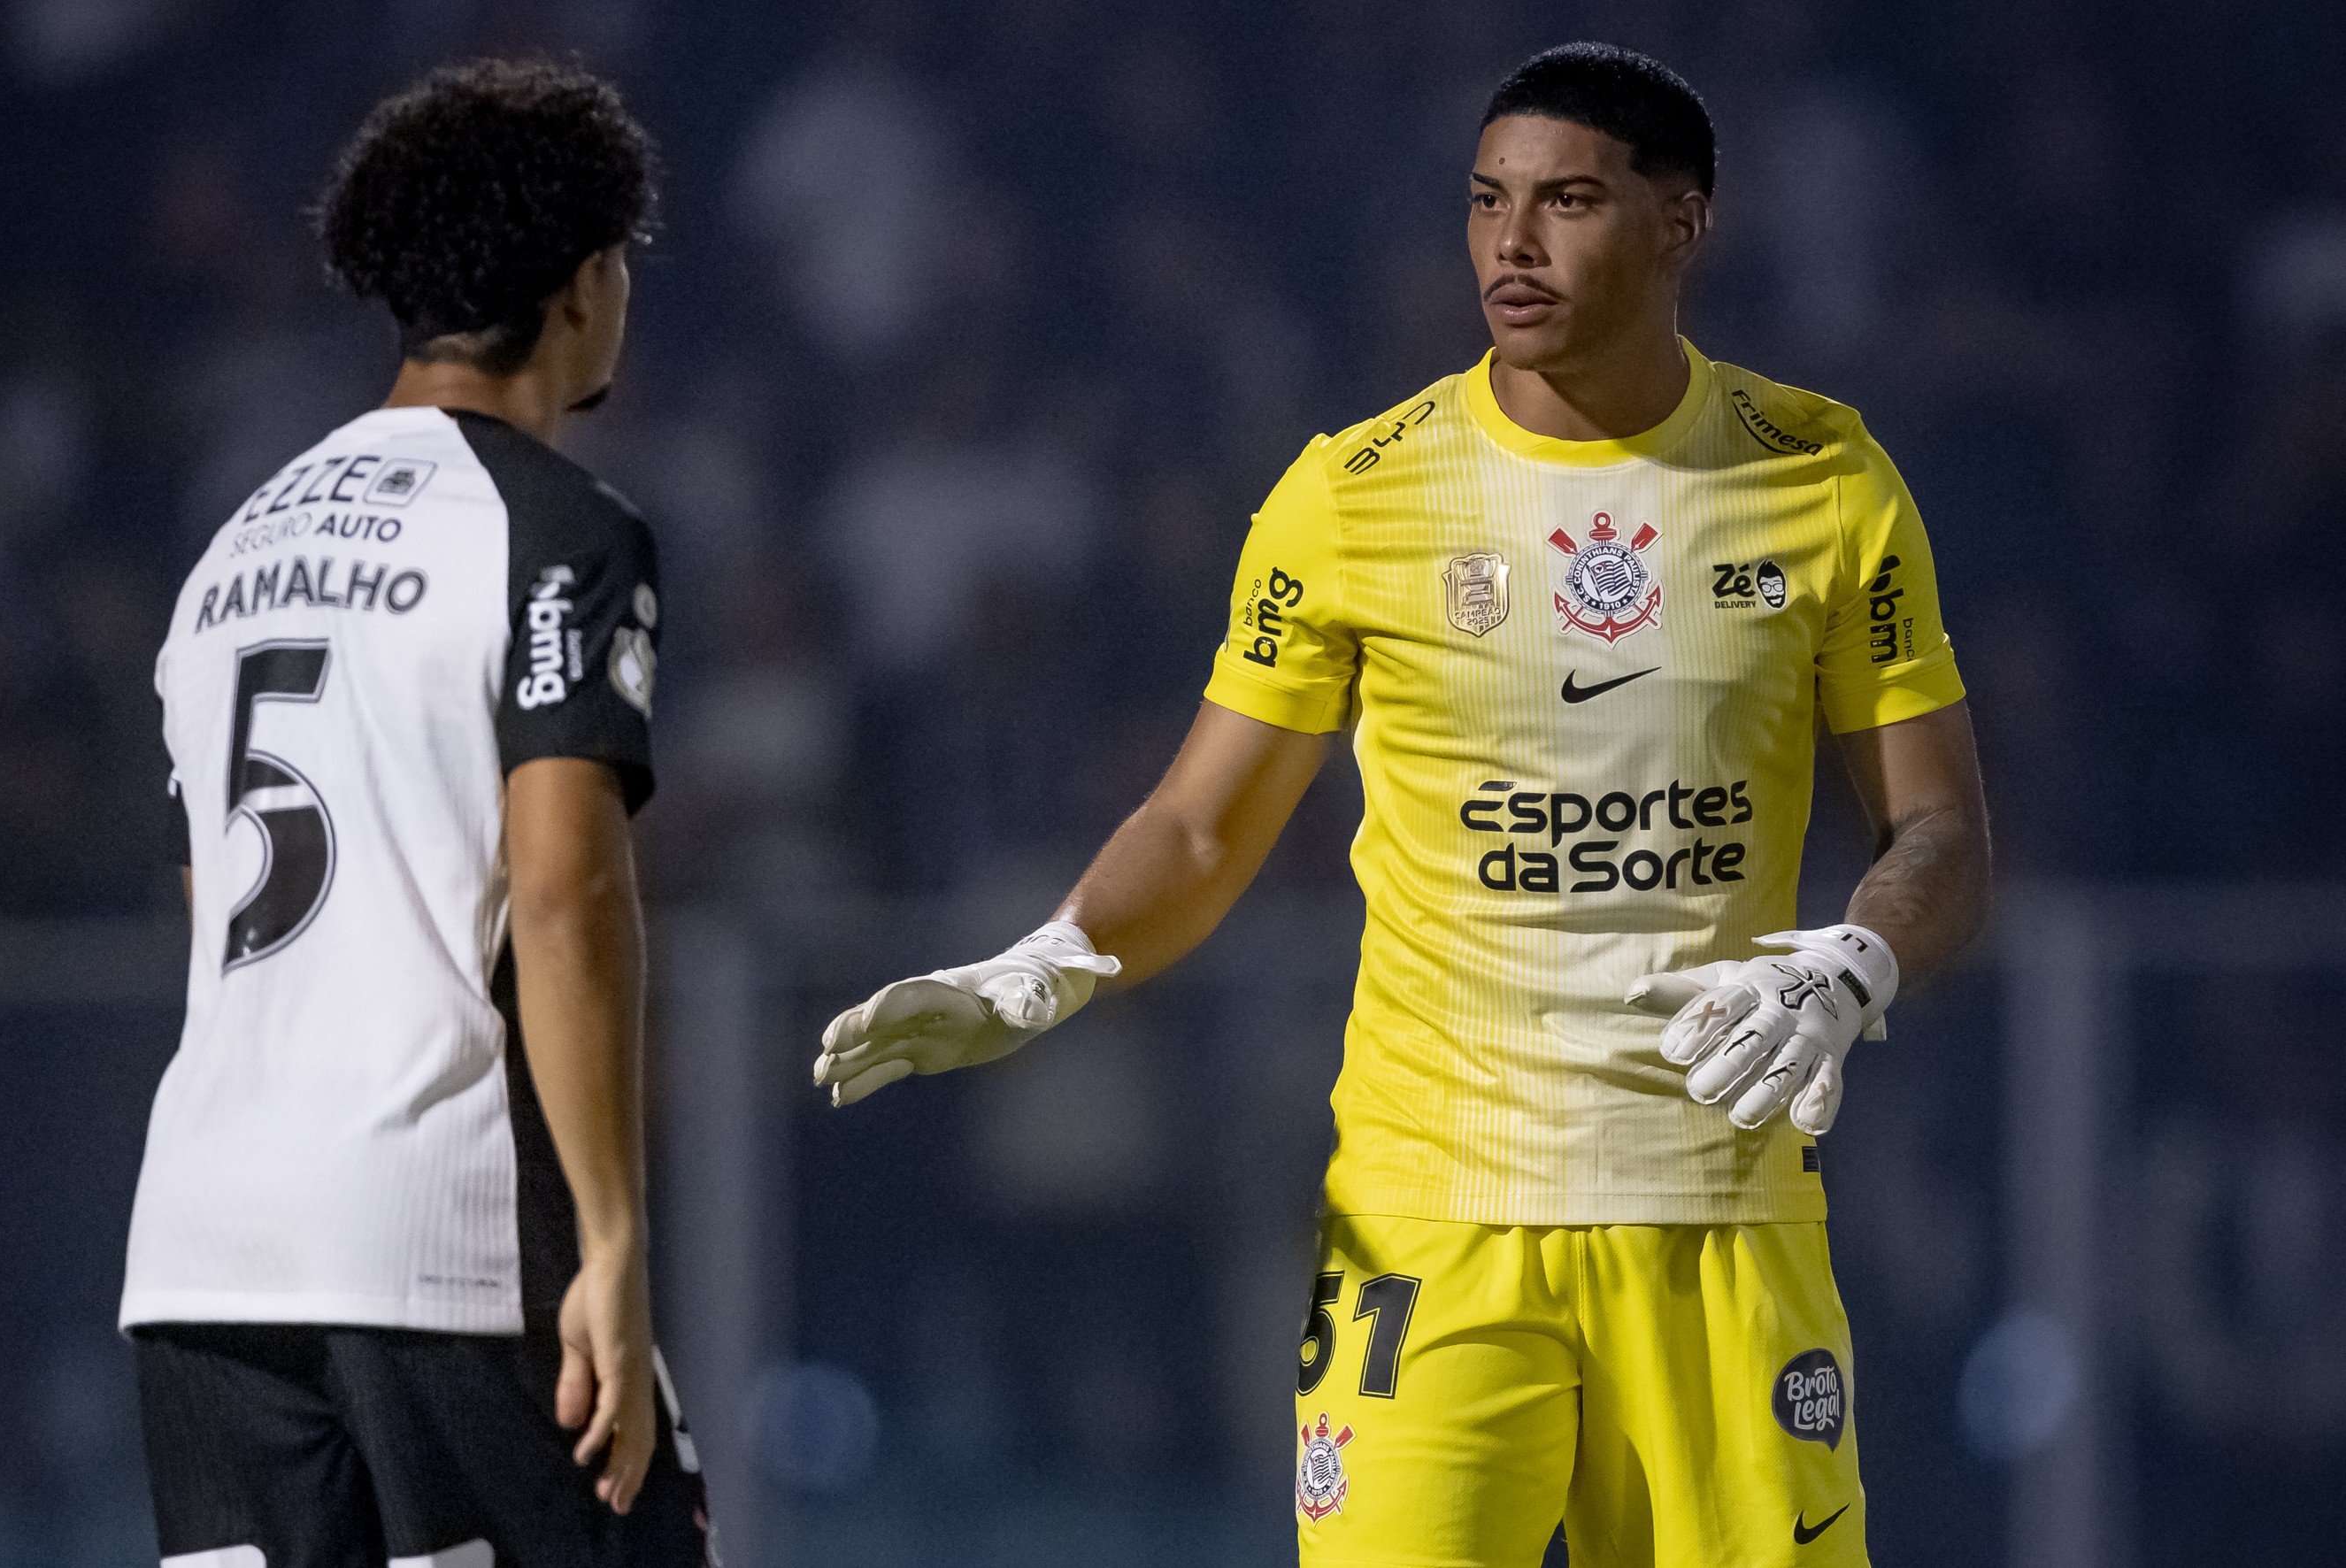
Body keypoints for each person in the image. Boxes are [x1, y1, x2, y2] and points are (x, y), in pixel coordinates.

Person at [814, 41, 1989, 1568]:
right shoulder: (1353, 492)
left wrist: (1854, 963)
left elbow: (1940, 830)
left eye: (1568, 201)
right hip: (1428, 1226)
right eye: (1486, 201)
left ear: (1681, 224)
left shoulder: (1822, 477)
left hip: (1714, 1209)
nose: (1513, 243)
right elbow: (1199, 827)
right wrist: (1047, 964)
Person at [121, 59, 712, 1568]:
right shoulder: (560, 531)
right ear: (583, 284)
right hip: (441, 1240)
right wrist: (612, 1240)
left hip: (202, 1247)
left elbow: (212, 918)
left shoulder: (227, 554)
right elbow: (567, 887)